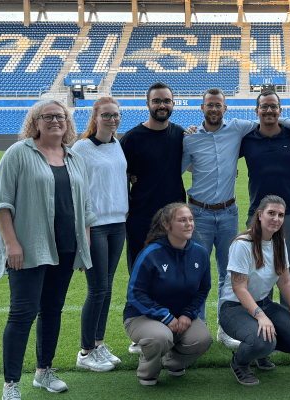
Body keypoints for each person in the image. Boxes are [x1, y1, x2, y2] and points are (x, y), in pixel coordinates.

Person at [182, 87, 290, 349]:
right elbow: (187, 164)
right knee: (214, 271)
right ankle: (205, 328)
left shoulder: (266, 132)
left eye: (219, 105)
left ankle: (281, 324)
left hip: (265, 211)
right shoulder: (227, 137)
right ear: (203, 108)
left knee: (273, 270)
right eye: (210, 105)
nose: (269, 111)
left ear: (226, 109)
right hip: (228, 213)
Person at [0, 100, 95, 400]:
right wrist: (11, 244)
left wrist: (83, 250)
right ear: (35, 123)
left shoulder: (73, 158)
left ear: (68, 123)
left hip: (65, 249)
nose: (55, 121)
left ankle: (43, 371)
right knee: (22, 314)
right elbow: (0, 204)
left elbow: (85, 210)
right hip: (29, 249)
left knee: (52, 311)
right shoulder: (18, 153)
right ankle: (11, 383)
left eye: (60, 117)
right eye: (47, 117)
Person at [120, 82, 187, 353]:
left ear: (174, 104)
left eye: (167, 101)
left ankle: (171, 331)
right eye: (157, 101)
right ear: (148, 104)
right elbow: (120, 175)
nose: (162, 105)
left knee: (173, 277)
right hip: (141, 219)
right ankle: (141, 334)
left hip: (174, 220)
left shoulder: (180, 134)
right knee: (141, 276)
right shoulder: (133, 138)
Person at [218, 195, 290, 386]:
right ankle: (240, 363)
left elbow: (285, 282)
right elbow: (239, 288)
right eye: (271, 213)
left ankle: (261, 353)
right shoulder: (242, 244)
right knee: (262, 341)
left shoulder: (279, 242)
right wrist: (261, 316)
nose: (276, 219)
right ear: (260, 215)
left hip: (263, 303)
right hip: (233, 308)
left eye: (280, 215)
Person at [123, 203, 213, 386]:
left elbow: (203, 289)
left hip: (180, 316)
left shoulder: (200, 253)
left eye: (190, 219)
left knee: (203, 339)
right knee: (160, 337)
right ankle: (148, 372)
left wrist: (188, 314)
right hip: (143, 316)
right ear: (166, 225)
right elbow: (135, 293)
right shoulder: (150, 253)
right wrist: (165, 316)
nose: (188, 224)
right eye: (182, 220)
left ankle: (172, 362)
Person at [239, 90, 290, 310]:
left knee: (289, 268)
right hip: (258, 213)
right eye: (264, 106)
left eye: (273, 106)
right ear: (257, 111)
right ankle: (265, 321)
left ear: (280, 110)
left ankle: (288, 321)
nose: (269, 110)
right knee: (260, 268)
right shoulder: (247, 139)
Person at [71, 97, 127, 372]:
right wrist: (83, 233)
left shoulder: (117, 144)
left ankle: (98, 342)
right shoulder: (81, 148)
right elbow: (74, 191)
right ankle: (85, 351)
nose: (112, 119)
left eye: (116, 114)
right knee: (97, 289)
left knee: (107, 289)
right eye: (106, 115)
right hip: (95, 225)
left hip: (118, 223)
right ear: (95, 116)